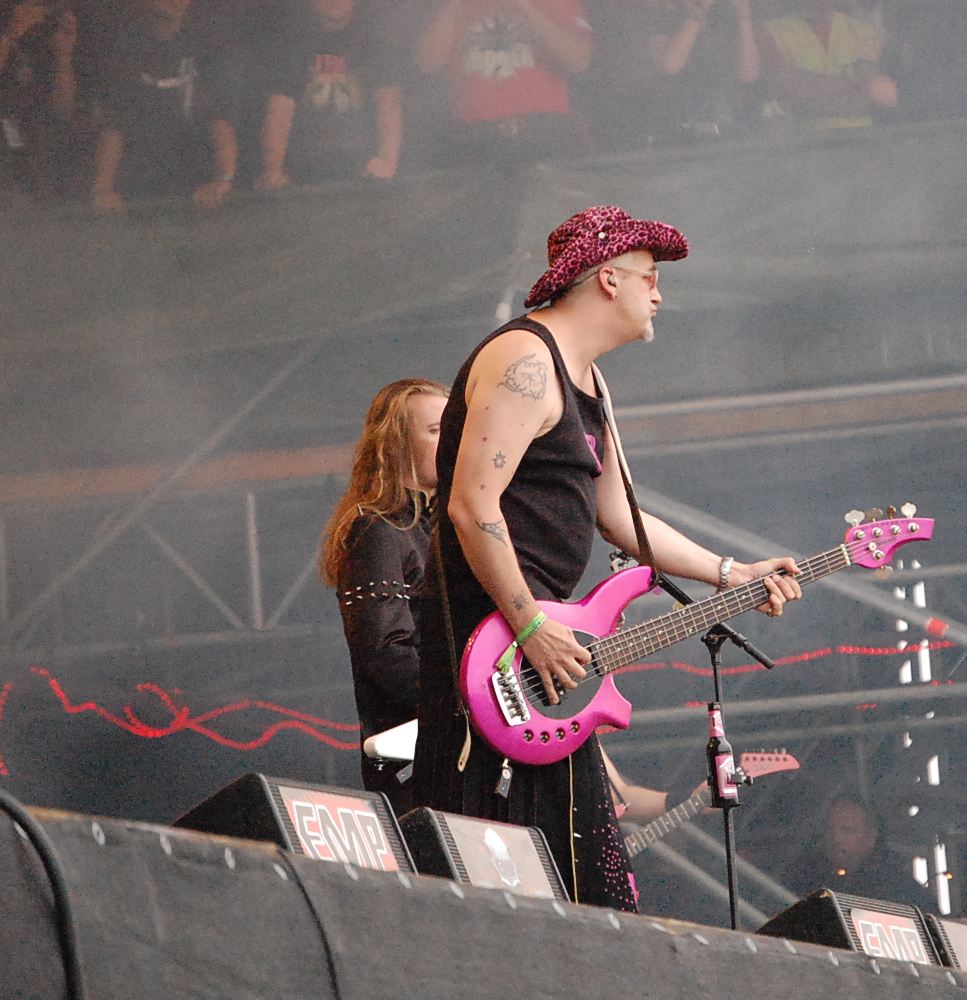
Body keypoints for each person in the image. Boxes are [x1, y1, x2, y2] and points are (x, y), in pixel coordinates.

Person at [412, 204, 804, 911]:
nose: (659, 294)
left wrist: (732, 572)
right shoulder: (523, 360)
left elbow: (620, 516)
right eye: (650, 276)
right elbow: (471, 505)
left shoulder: (589, 380)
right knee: (496, 869)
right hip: (492, 647)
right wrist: (529, 624)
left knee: (584, 883)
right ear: (607, 279)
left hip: (545, 658)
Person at [320, 378, 448, 812]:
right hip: (423, 762)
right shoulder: (377, 529)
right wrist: (467, 707)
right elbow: (386, 654)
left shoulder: (451, 531)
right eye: (436, 430)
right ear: (396, 445)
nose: (452, 440)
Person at [83, 0, 238, 211]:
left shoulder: (208, 42)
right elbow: (113, 125)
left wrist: (224, 178)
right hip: (136, 191)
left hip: (199, 189)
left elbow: (220, 118)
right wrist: (103, 190)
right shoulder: (124, 48)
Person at [414, 0, 593, 162]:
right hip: (476, 138)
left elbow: (579, 60)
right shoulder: (452, 6)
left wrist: (526, 7)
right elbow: (427, 62)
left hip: (544, 131)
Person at [257, 0, 405, 189]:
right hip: (302, 177)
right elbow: (279, 113)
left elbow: (389, 106)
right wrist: (272, 170)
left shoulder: (373, 44)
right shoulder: (290, 47)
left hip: (364, 174)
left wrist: (387, 162)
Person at [0, 0, 81, 196]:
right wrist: (9, 35)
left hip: (25, 172)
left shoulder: (24, 36)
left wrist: (63, 56)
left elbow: (62, 109)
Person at [591, 0, 762, 150]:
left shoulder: (722, 20)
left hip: (723, 138)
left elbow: (749, 73)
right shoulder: (654, 16)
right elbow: (670, 64)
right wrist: (701, 8)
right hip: (673, 141)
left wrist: (743, 14)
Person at [760, 0, 898, 123]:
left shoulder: (863, 32)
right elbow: (790, 91)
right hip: (800, 138)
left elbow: (877, 93)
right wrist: (857, 80)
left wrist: (812, 88)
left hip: (861, 134)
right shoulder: (773, 33)